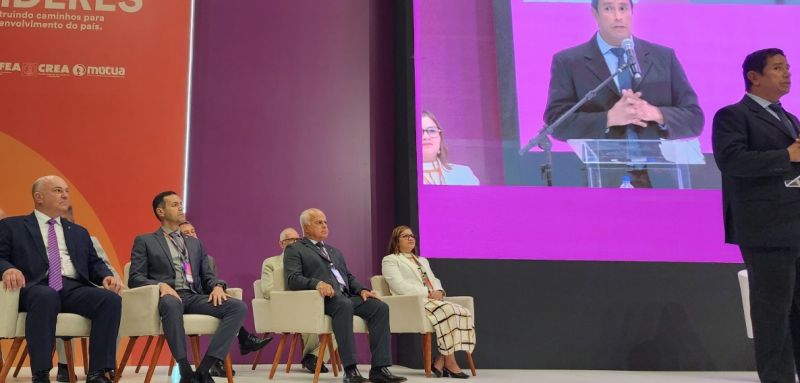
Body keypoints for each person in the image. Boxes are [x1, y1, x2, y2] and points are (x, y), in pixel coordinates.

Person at [544, 0, 703, 187]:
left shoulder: (663, 57)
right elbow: (556, 122)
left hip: (662, 178)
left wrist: (656, 114)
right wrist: (609, 118)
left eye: (623, 8)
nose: (618, 16)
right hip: (602, 179)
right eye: (608, 8)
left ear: (632, 11)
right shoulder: (569, 62)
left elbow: (694, 118)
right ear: (595, 14)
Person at [712, 48, 797, 383]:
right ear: (754, 77)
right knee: (773, 313)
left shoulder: (789, 118)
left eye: (788, 67)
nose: (788, 73)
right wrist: (785, 154)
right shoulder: (733, 115)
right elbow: (732, 161)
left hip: (795, 225)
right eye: (778, 68)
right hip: (766, 228)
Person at [0, 175, 123, 383]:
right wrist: (8, 269)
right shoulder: (13, 226)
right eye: (57, 190)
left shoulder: (78, 232)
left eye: (66, 190)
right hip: (34, 285)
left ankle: (97, 373)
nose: (65, 194)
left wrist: (107, 276)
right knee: (46, 295)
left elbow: (94, 263)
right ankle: (41, 374)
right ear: (38, 197)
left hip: (71, 287)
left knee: (110, 300)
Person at [128, 191, 252, 383]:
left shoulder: (195, 244)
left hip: (193, 296)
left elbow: (208, 276)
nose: (181, 207)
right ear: (160, 211)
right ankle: (185, 370)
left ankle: (204, 369)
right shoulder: (145, 241)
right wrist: (160, 285)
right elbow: (135, 278)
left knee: (238, 307)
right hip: (168, 297)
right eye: (175, 204)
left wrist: (218, 286)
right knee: (171, 304)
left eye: (181, 203)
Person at [284, 208, 406, 383]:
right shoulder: (295, 249)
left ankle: (379, 369)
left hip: (344, 296)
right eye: (319, 222)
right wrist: (317, 284)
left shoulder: (334, 251)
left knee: (379, 307)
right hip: (321, 300)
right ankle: (350, 370)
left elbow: (348, 277)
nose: (325, 225)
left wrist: (362, 290)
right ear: (306, 227)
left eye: (325, 222)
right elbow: (293, 279)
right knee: (344, 304)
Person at [177, 221, 271, 377]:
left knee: (227, 303)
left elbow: (210, 281)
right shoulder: (174, 258)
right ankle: (242, 341)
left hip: (203, 299)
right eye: (187, 233)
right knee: (221, 307)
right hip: (183, 300)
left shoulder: (207, 259)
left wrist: (218, 287)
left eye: (193, 231)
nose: (192, 235)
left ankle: (215, 361)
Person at [381, 226, 475, 379]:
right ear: (396, 241)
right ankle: (450, 362)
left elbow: (434, 279)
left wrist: (439, 291)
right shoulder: (390, 260)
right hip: (413, 303)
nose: (411, 238)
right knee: (448, 311)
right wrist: (428, 293)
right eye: (405, 236)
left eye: (412, 235)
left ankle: (440, 359)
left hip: (431, 300)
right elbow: (399, 286)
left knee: (461, 311)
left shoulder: (422, 260)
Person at [52, 206, 121, 382]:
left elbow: (106, 267)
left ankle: (104, 367)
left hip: (90, 289)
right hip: (59, 289)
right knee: (55, 295)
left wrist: (112, 279)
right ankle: (64, 365)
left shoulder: (87, 238)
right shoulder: (44, 240)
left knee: (113, 300)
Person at [261, 227, 335, 373]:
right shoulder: (271, 263)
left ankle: (313, 357)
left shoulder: (307, 260)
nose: (295, 243)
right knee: (307, 315)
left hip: (312, 304)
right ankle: (313, 359)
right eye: (290, 240)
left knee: (341, 319)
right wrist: (292, 299)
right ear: (281, 244)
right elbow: (267, 291)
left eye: (297, 239)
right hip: (287, 307)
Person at [421, 110, 479, 186]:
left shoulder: (463, 174)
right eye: (419, 132)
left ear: (440, 138)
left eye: (432, 130)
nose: (426, 137)